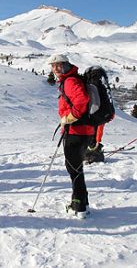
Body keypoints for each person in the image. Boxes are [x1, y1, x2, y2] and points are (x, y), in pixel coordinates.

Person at [47, 54, 95, 219]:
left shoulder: (70, 81)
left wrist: (70, 118)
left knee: (73, 168)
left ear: (65, 65)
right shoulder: (71, 79)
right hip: (83, 130)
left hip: (76, 131)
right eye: (53, 66)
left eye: (58, 65)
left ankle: (79, 205)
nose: (55, 69)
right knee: (76, 168)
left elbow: (82, 99)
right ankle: (84, 203)